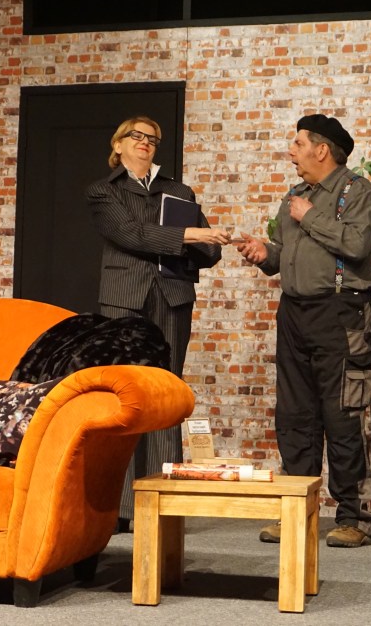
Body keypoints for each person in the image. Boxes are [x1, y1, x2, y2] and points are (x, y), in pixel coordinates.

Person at [237, 114, 371, 548]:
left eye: (298, 143)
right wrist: (265, 253)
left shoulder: (357, 191)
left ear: (322, 150)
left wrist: (311, 216)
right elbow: (288, 253)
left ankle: (353, 517)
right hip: (294, 314)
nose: (291, 151)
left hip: (341, 313)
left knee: (342, 414)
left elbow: (357, 245)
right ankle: (295, 512)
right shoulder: (295, 196)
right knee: (295, 416)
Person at [86, 115, 230, 530]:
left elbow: (210, 250)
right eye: (136, 136)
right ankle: (122, 506)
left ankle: (164, 502)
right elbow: (130, 234)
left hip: (172, 296)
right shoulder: (104, 191)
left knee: (166, 393)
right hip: (124, 300)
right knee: (126, 397)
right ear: (118, 144)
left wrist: (201, 241)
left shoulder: (178, 192)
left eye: (152, 138)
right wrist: (189, 236)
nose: (145, 142)